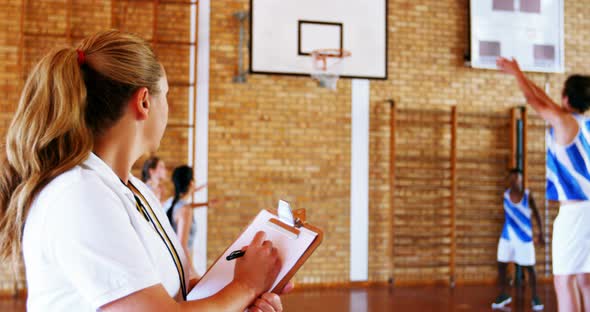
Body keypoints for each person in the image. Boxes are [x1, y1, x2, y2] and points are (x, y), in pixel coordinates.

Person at [0, 30, 286, 312]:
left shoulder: (134, 190)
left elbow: (178, 294)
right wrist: (245, 286)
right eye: (168, 95)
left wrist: (243, 295)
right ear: (144, 102)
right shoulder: (79, 194)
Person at [498, 57, 590, 311]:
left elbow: (535, 101)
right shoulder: (584, 124)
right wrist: (522, 75)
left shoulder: (565, 123)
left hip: (575, 213)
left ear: (565, 98)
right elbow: (542, 99)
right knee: (585, 279)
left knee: (564, 282)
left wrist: (517, 73)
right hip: (587, 211)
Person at [492, 168, 544, 310]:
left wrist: (541, 232)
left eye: (517, 178)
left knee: (530, 268)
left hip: (524, 238)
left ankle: (535, 297)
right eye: (512, 178)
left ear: (521, 179)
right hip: (507, 237)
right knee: (501, 265)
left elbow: (537, 214)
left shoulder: (527, 196)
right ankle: (504, 294)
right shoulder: (505, 195)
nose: (515, 181)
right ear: (509, 180)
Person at [163, 165, 211, 277]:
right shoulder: (185, 209)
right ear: (191, 183)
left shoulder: (169, 203)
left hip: (168, 265)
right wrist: (193, 273)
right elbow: (182, 245)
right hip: (178, 269)